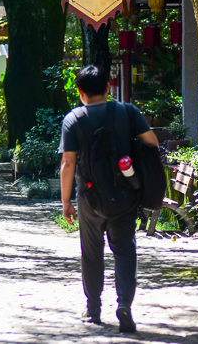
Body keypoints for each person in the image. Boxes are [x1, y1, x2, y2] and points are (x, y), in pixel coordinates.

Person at [59, 65, 158, 332]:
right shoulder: (127, 112)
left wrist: (66, 201)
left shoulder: (73, 119)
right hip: (125, 195)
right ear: (107, 87)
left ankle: (93, 310)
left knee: (91, 254)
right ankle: (124, 303)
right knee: (125, 251)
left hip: (89, 198)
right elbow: (152, 142)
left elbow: (68, 163)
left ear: (80, 92)